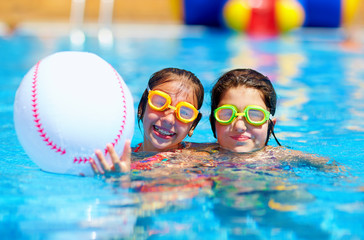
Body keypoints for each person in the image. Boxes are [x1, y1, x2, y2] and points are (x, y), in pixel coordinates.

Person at [90, 67, 204, 174]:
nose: (169, 119)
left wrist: (123, 179)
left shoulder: (192, 164)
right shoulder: (123, 156)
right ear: (141, 107)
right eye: (160, 103)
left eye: (184, 113)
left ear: (193, 125)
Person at [209, 68, 280, 153]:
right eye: (227, 114)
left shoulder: (289, 162)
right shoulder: (195, 158)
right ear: (213, 123)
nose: (239, 127)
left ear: (271, 127)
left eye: (254, 115)